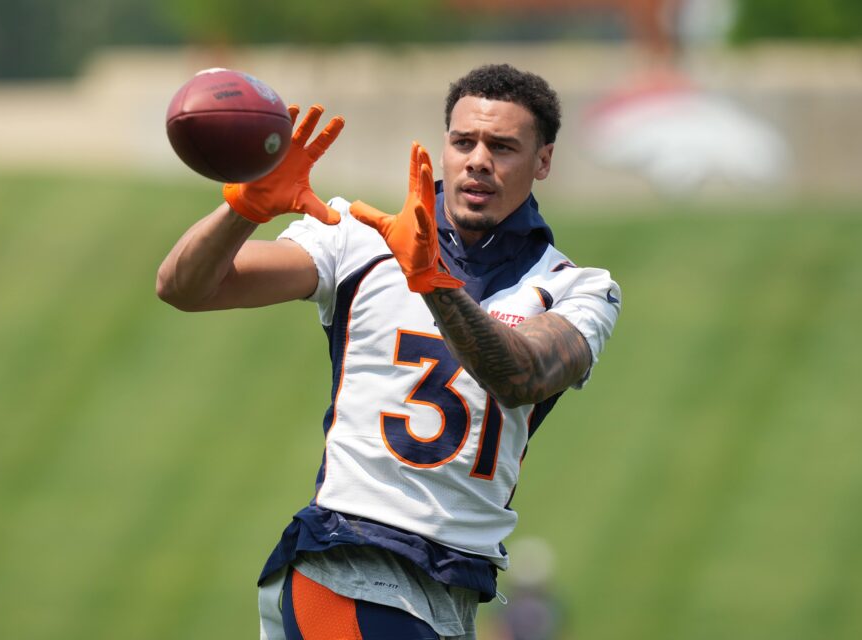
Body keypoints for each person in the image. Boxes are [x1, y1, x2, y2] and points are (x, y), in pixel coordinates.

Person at [157, 63, 620, 640]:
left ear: (543, 160)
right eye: (463, 141)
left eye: (502, 146)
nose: (478, 159)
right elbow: (186, 287)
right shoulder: (360, 237)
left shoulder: (579, 287)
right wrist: (242, 210)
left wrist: (432, 283)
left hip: (450, 587)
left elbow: (522, 374)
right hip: (350, 561)